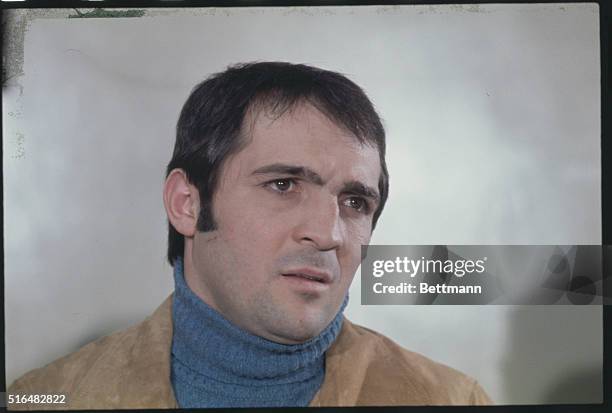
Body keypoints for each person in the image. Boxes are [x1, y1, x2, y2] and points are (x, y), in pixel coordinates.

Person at [7, 62, 491, 409]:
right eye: (283, 185)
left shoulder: (451, 399)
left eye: (354, 202)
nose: (327, 234)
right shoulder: (45, 398)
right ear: (187, 204)